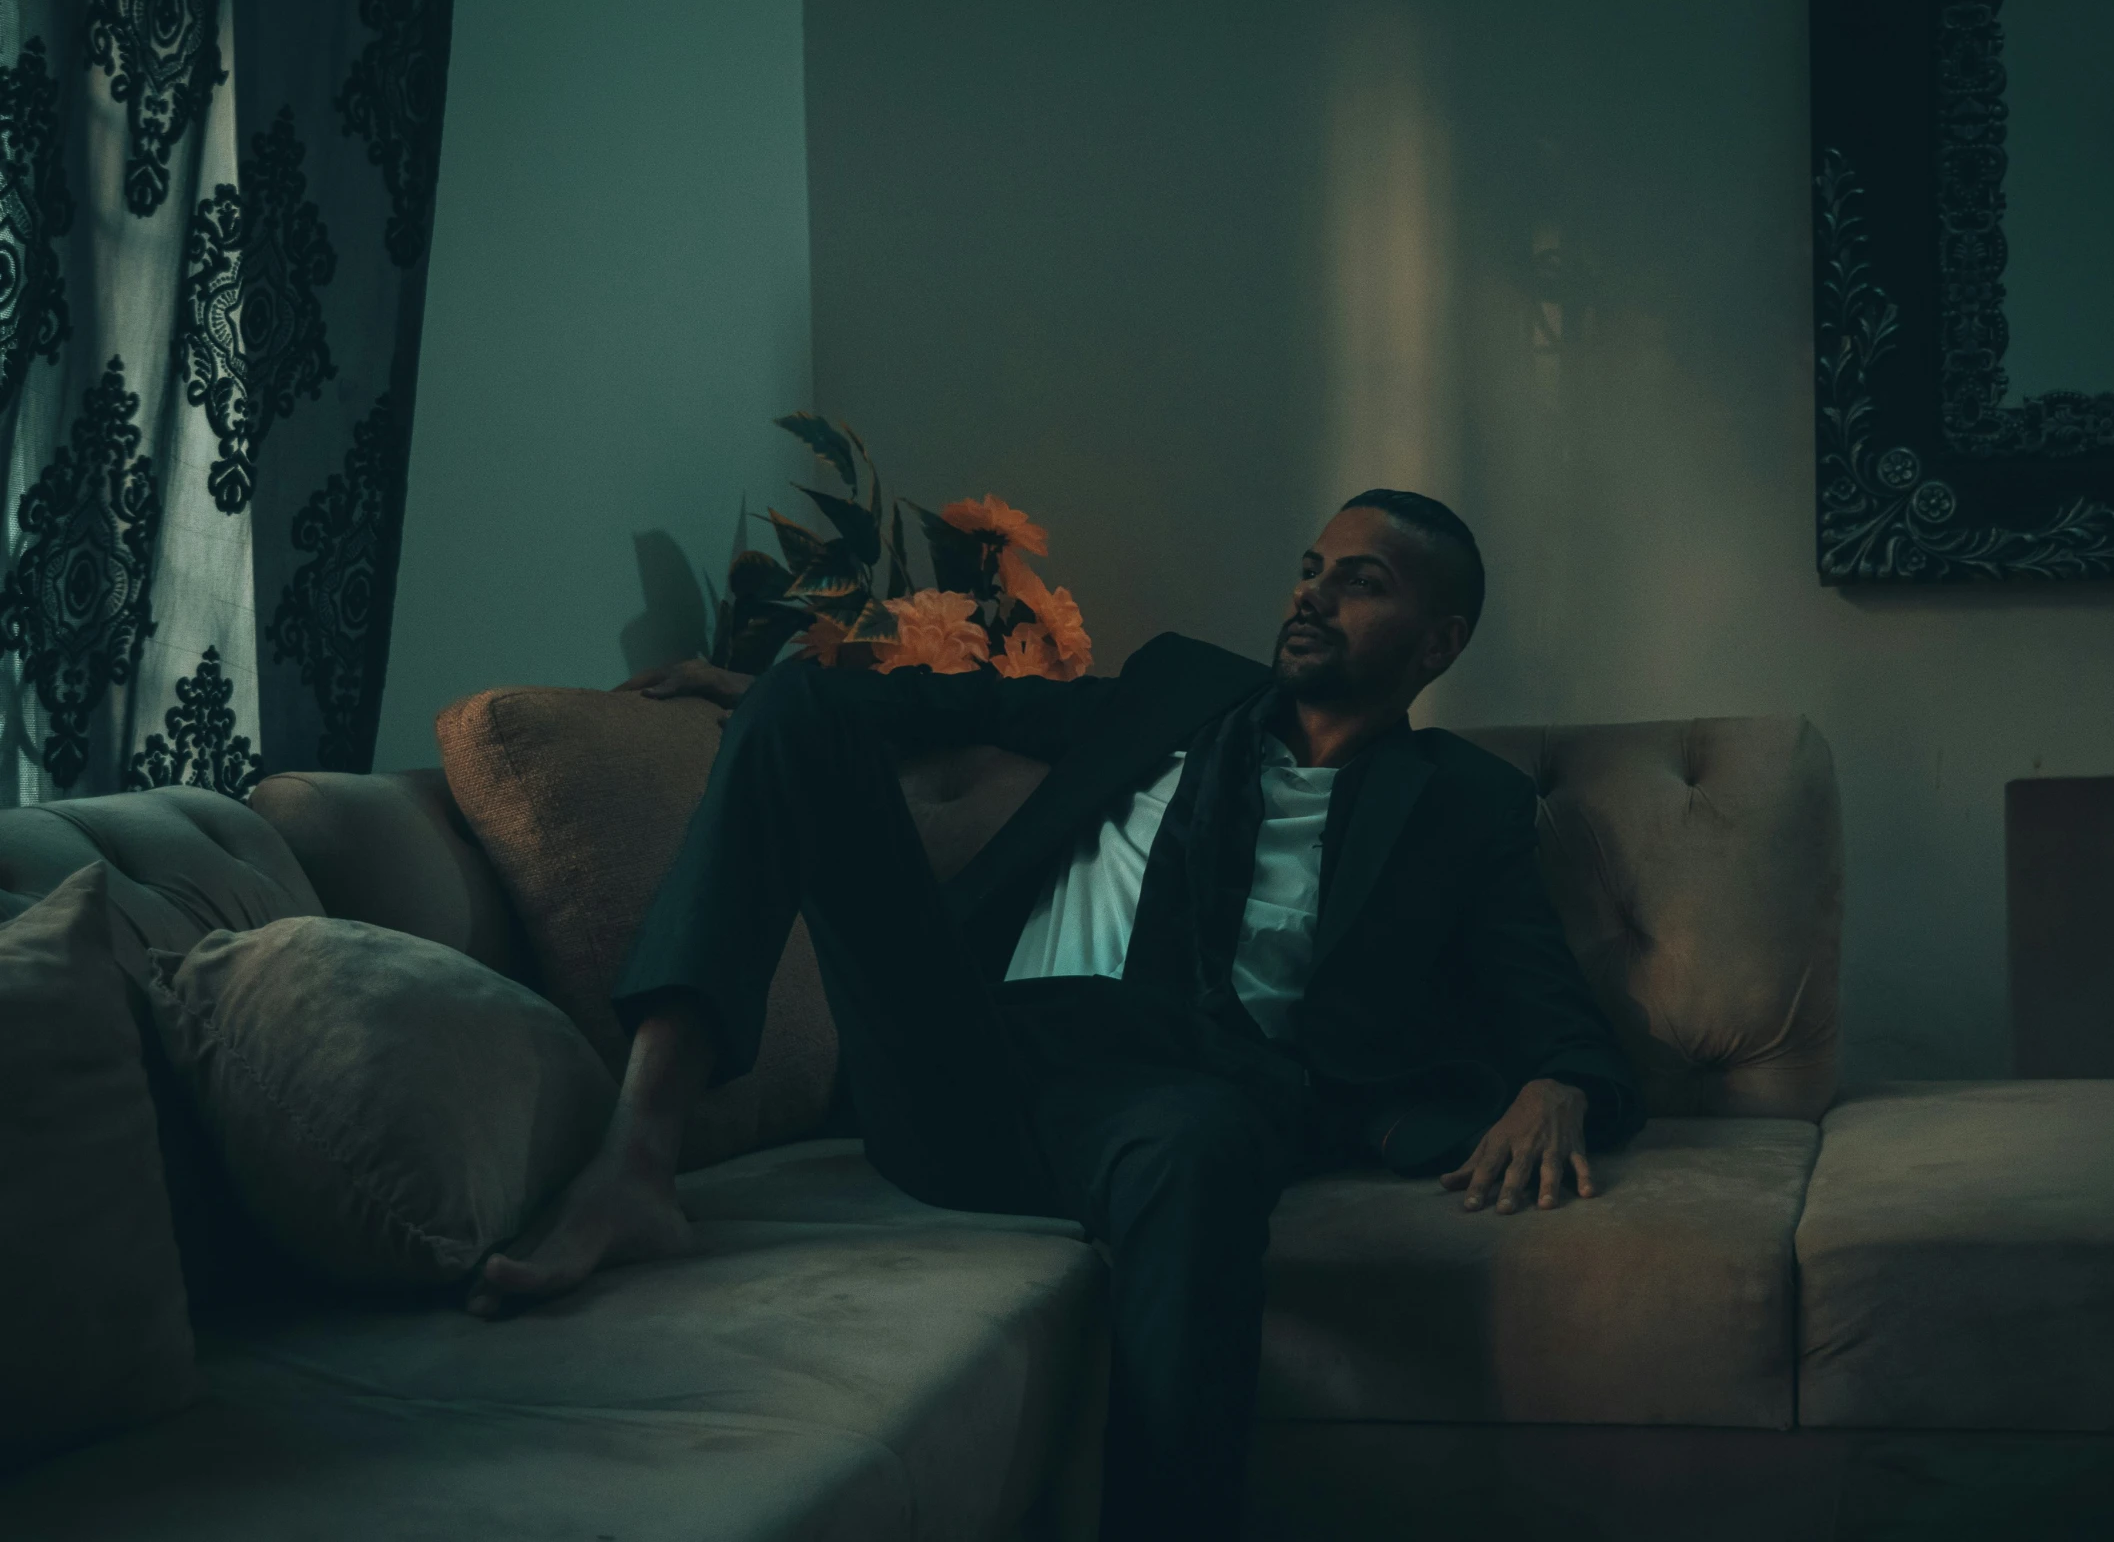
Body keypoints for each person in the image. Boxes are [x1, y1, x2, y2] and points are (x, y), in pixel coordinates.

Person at [467, 489, 1644, 1539]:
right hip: (969, 1057)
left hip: (1174, 1105)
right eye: (1308, 567)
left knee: (1209, 1138)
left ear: (1438, 641)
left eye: (1361, 581)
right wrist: (752, 694)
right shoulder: (1181, 688)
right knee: (799, 701)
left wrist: (1561, 1081)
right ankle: (635, 1164)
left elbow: (1540, 988)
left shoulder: (1461, 803)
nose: (1312, 594)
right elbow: (955, 700)